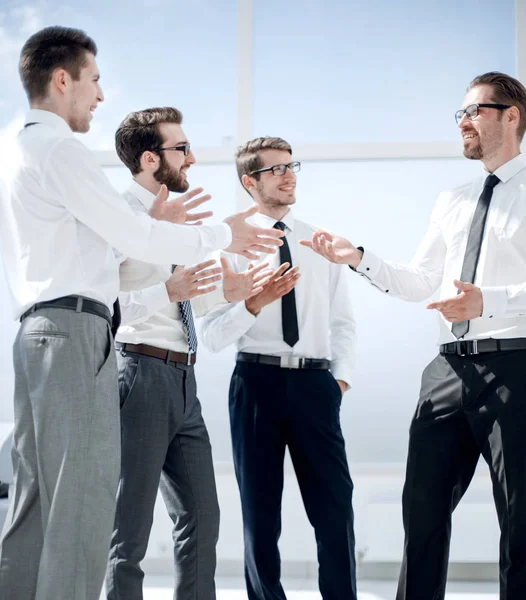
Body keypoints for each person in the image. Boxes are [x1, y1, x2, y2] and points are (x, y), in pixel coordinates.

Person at [0, 26, 283, 600]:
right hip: (84, 334)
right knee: (84, 502)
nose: (101, 95)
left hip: (49, 331)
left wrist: (222, 280)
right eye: (94, 80)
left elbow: (128, 254)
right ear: (62, 80)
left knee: (40, 497)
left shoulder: (17, 144)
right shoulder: (60, 150)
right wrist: (215, 234)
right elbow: (131, 245)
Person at [301, 72, 526, 600]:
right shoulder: (454, 198)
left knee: (518, 518)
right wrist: (356, 258)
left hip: (517, 366)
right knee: (421, 512)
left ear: (511, 115)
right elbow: (421, 280)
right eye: (460, 113)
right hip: (447, 370)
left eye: (474, 111)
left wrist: (487, 302)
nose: (463, 122)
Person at [106, 107, 273, 600]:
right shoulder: (117, 216)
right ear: (150, 158)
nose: (193, 158)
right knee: (129, 527)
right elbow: (106, 301)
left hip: (183, 379)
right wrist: (169, 289)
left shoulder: (174, 219)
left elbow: (184, 293)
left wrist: (230, 289)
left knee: (202, 518)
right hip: (139, 371)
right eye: (182, 149)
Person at [201, 137, 358, 600]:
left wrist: (339, 381)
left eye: (292, 166)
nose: (289, 175)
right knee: (260, 512)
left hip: (315, 383)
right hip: (256, 383)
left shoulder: (319, 242)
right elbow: (210, 335)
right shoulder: (227, 248)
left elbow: (343, 322)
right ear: (250, 182)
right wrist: (253, 305)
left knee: (334, 510)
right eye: (276, 170)